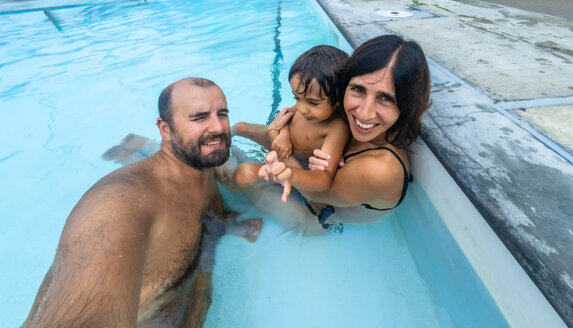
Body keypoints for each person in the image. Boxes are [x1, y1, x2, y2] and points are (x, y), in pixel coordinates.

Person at [23, 78, 262, 327]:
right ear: (165, 129)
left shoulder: (200, 166)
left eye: (222, 114)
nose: (218, 127)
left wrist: (222, 224)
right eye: (199, 117)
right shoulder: (118, 205)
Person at [257, 34, 431, 230]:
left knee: (241, 178)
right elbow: (304, 106)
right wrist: (284, 134)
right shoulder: (341, 111)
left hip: (323, 219)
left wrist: (274, 135)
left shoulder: (379, 169)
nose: (364, 114)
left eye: (386, 98)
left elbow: (314, 194)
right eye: (358, 89)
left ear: (406, 104)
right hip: (311, 181)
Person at [231, 45, 350, 204]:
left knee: (242, 174)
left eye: (313, 103)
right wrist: (284, 135)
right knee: (241, 127)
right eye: (296, 98)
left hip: (293, 164)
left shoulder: (337, 128)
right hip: (282, 144)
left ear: (339, 101)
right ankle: (222, 139)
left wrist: (290, 173)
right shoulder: (306, 105)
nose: (301, 108)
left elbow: (324, 180)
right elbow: (288, 118)